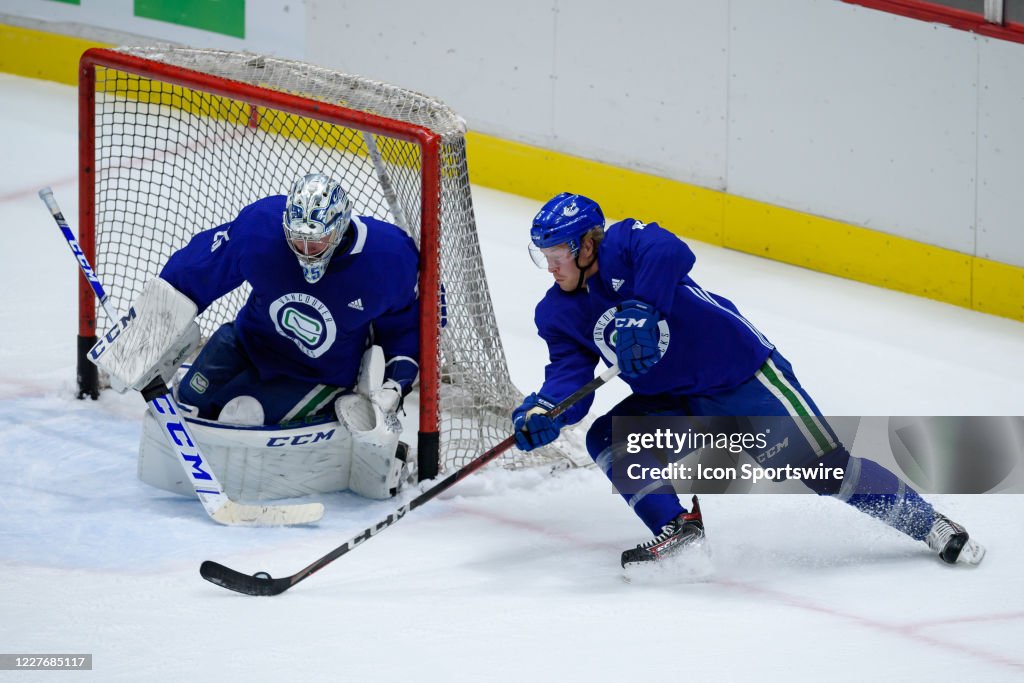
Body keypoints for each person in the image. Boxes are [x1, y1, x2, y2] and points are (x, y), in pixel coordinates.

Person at [512, 192, 985, 569]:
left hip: (743, 378)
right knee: (608, 438)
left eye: (557, 254)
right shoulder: (555, 312)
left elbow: (670, 250)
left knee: (826, 470)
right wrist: (545, 411)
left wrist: (643, 306)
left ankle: (929, 525)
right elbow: (568, 375)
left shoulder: (625, 245)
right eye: (544, 256)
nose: (551, 267)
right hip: (674, 401)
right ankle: (679, 529)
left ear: (588, 245)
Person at [93, 173, 420, 500]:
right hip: (247, 343)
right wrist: (144, 335)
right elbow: (195, 270)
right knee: (188, 404)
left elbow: (408, 327)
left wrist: (396, 384)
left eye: (316, 241)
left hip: (316, 375)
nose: (305, 250)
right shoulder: (261, 229)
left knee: (243, 418)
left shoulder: (388, 258)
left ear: (340, 228)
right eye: (296, 239)